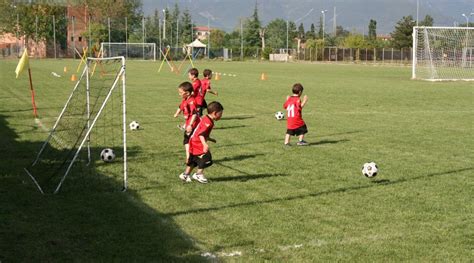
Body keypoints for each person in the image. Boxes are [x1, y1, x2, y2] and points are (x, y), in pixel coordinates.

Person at [179, 101, 224, 183]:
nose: (221, 116)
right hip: (197, 142)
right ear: (215, 113)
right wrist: (204, 144)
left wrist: (210, 139)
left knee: (194, 159)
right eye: (220, 114)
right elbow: (201, 134)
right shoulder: (208, 122)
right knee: (207, 158)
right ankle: (198, 174)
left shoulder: (207, 119)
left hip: (193, 140)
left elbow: (202, 132)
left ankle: (185, 174)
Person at [173, 82, 200, 162]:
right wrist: (177, 113)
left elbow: (195, 114)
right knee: (187, 141)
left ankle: (191, 158)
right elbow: (180, 106)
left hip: (193, 125)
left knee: (188, 141)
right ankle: (189, 157)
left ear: (187, 93)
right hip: (188, 124)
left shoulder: (192, 101)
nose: (179, 94)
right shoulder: (185, 100)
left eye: (181, 92)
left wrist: (190, 125)